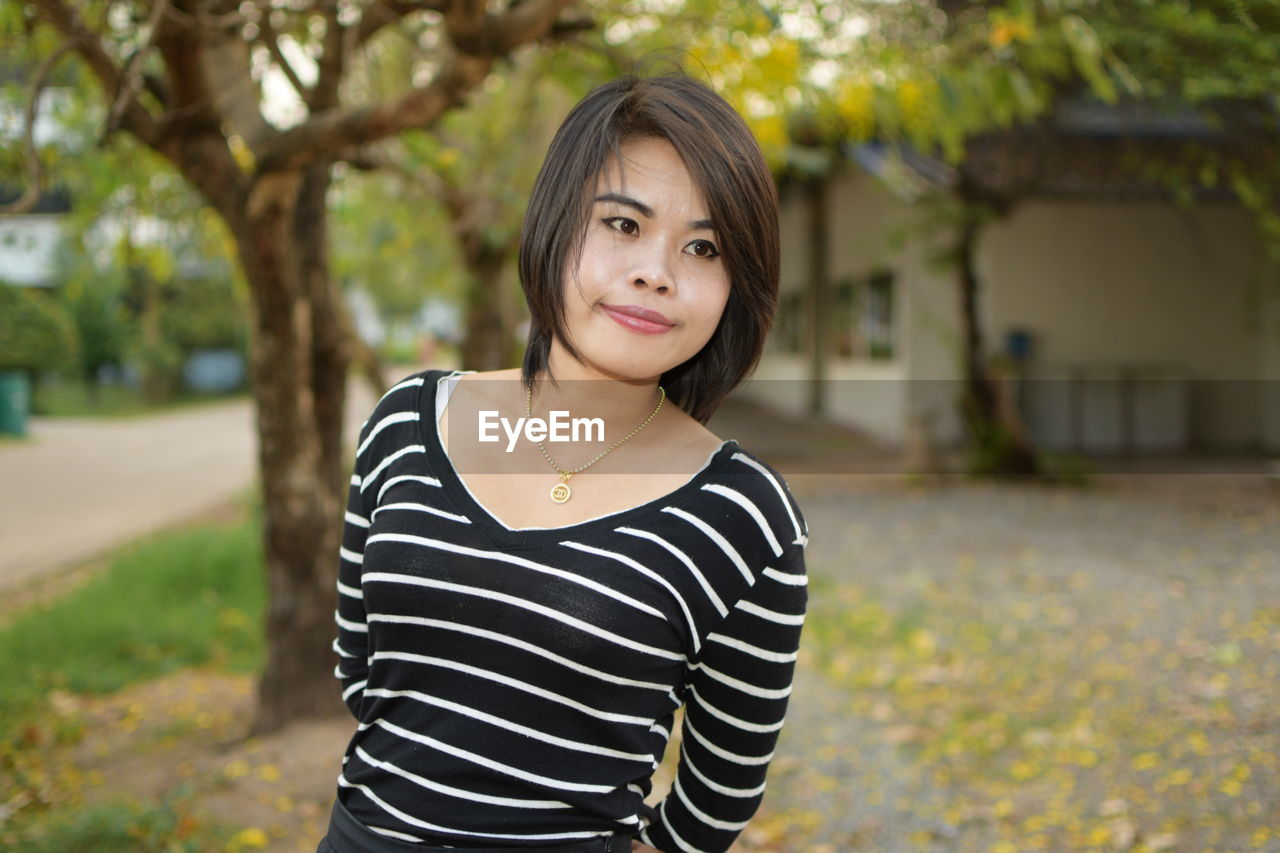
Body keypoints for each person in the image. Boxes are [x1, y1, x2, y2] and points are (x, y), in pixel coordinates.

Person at [319, 73, 810, 853]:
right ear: (553, 223)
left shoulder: (743, 515)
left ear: (732, 288)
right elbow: (360, 666)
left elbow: (718, 796)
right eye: (622, 223)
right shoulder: (407, 423)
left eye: (703, 246)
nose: (656, 270)